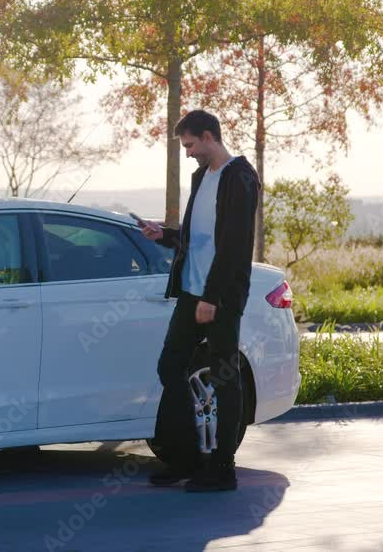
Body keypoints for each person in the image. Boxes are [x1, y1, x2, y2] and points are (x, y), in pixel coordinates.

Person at [138, 110, 260, 492]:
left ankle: (223, 468)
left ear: (209, 137)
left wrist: (213, 298)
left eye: (190, 144)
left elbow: (234, 245)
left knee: (225, 376)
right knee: (170, 366)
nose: (188, 153)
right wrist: (166, 234)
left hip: (219, 296)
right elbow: (202, 237)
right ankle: (187, 457)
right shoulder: (202, 178)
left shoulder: (239, 177)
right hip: (192, 289)